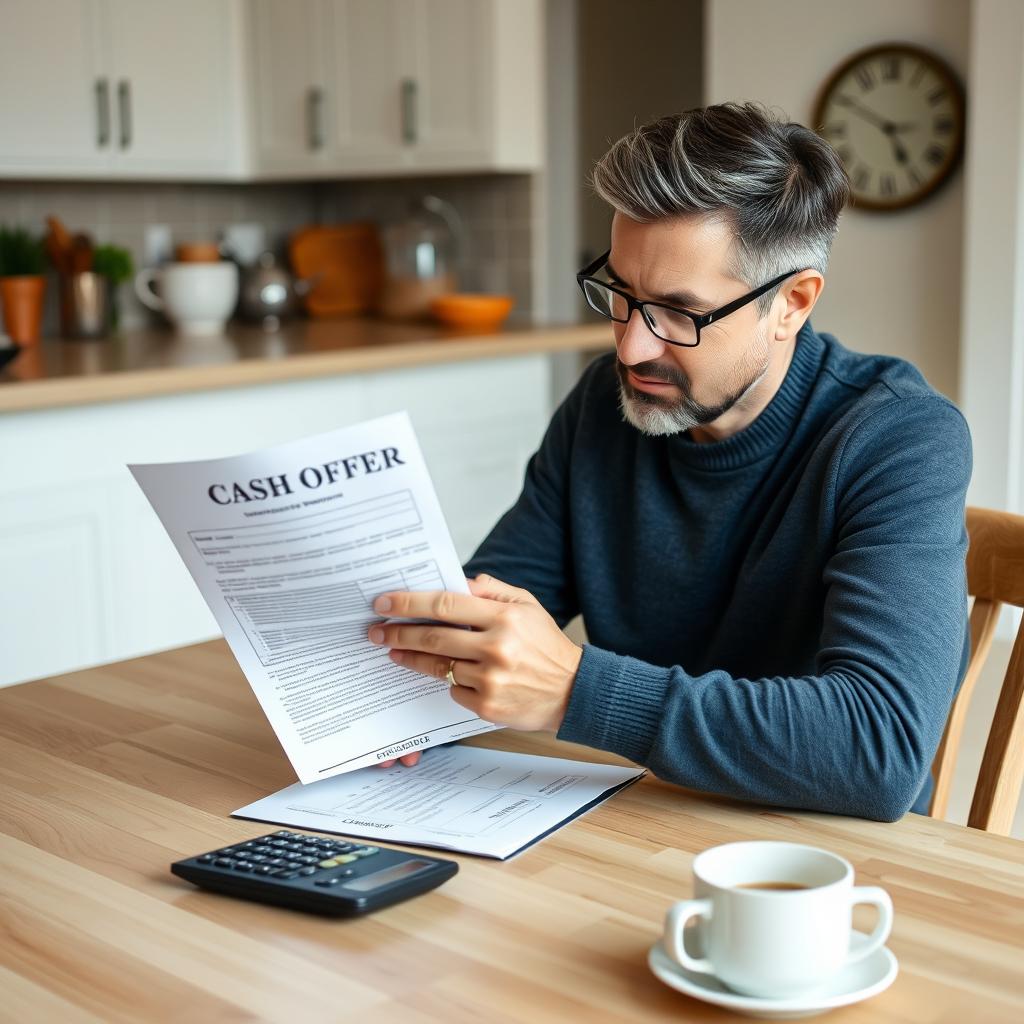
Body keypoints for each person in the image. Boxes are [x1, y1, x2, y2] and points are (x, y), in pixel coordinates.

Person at [366, 102, 971, 822]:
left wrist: (572, 690)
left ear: (791, 304)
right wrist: (409, 690)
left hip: (826, 869)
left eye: (680, 313)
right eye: (621, 294)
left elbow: (879, 749)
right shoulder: (603, 406)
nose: (630, 349)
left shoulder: (898, 438)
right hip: (644, 821)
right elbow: (489, 611)